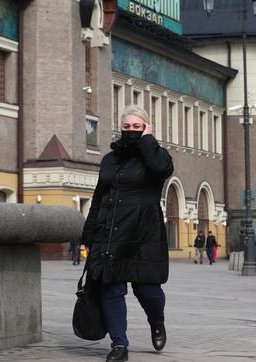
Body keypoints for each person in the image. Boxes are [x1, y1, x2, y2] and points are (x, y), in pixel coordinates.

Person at [81, 104, 174, 361]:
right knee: (111, 289)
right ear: (120, 128)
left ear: (146, 128)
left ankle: (156, 321)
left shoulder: (157, 155)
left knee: (148, 291)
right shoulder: (110, 159)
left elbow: (160, 170)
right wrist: (89, 233)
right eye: (127, 127)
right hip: (111, 232)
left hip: (144, 235)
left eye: (137, 126)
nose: (131, 130)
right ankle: (119, 345)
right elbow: (99, 197)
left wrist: (148, 141)